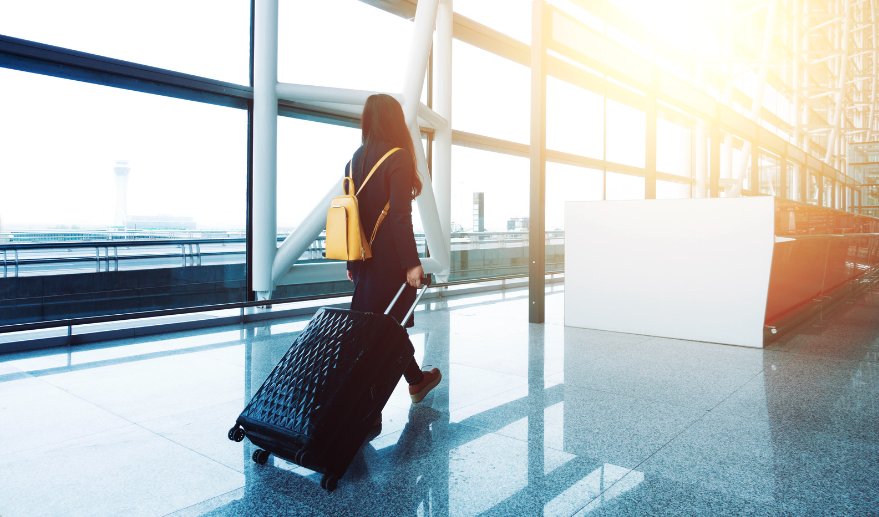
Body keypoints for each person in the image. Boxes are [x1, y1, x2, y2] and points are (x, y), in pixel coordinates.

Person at [345, 94, 442, 425]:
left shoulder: (354, 160)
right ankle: (369, 411)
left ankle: (416, 381)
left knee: (380, 329)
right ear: (393, 120)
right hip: (389, 263)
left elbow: (351, 218)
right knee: (386, 331)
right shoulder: (398, 157)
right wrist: (412, 262)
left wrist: (351, 263)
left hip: (362, 261)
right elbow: (400, 216)